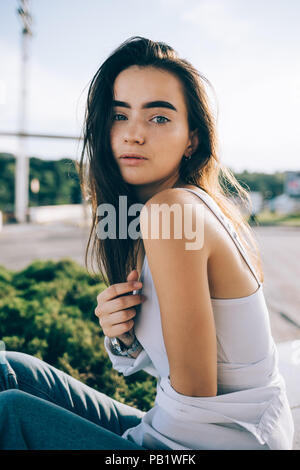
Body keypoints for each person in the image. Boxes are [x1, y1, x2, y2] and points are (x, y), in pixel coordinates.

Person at [0, 36, 294, 450]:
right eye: (120, 115)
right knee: (10, 369)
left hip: (209, 444)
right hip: (183, 427)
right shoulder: (154, 214)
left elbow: (195, 400)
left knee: (8, 412)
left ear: (192, 138)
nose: (133, 134)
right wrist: (124, 335)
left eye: (158, 118)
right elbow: (171, 369)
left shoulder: (171, 211)